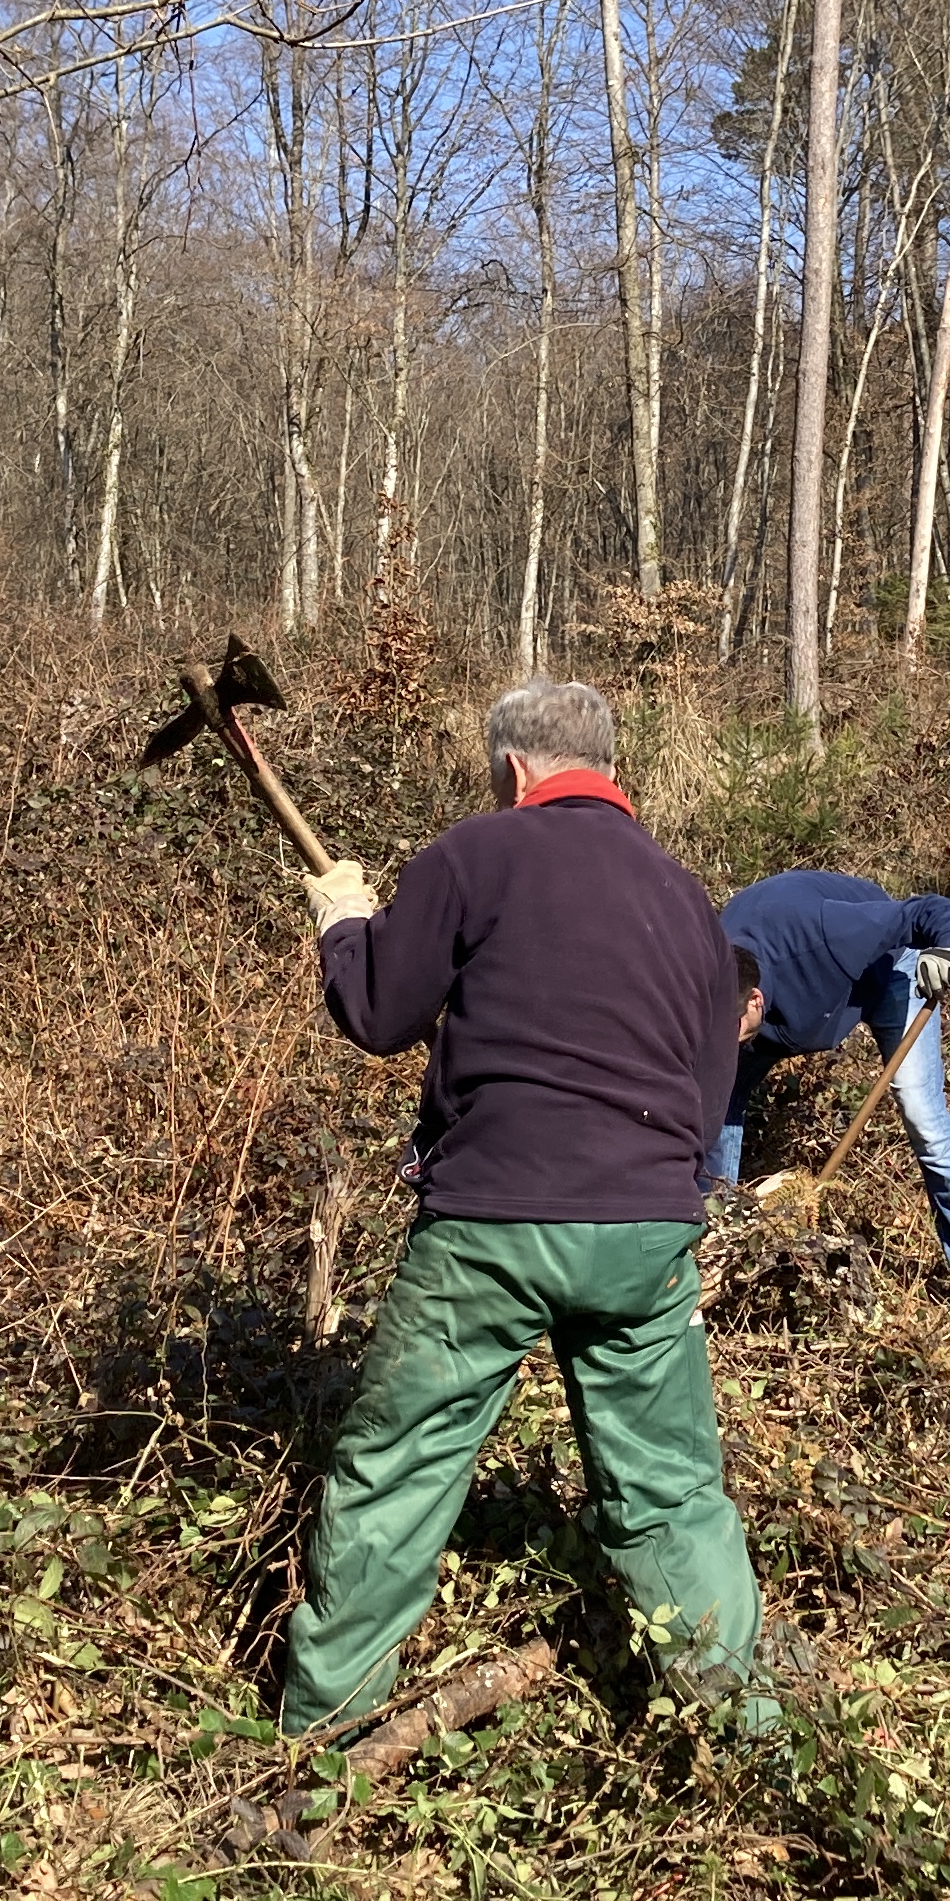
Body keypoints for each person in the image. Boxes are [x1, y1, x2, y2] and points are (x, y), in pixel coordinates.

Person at [284, 680, 774, 1740]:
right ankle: (747, 1735)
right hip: (647, 1227)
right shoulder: (686, 895)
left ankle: (323, 1743)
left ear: (513, 769)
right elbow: (706, 1075)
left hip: (491, 1224)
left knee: (402, 1468)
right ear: (606, 764)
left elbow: (377, 1013)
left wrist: (346, 921)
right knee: (674, 1492)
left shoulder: (475, 854)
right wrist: (662, 1187)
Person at [714, 868, 950, 1319]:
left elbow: (928, 910)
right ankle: (718, 1243)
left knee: (923, 1115)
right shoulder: (709, 969)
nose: (724, 1041)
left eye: (732, 1029)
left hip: (888, 972)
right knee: (717, 1098)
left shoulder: (832, 935)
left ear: (755, 1001)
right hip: (785, 1002)